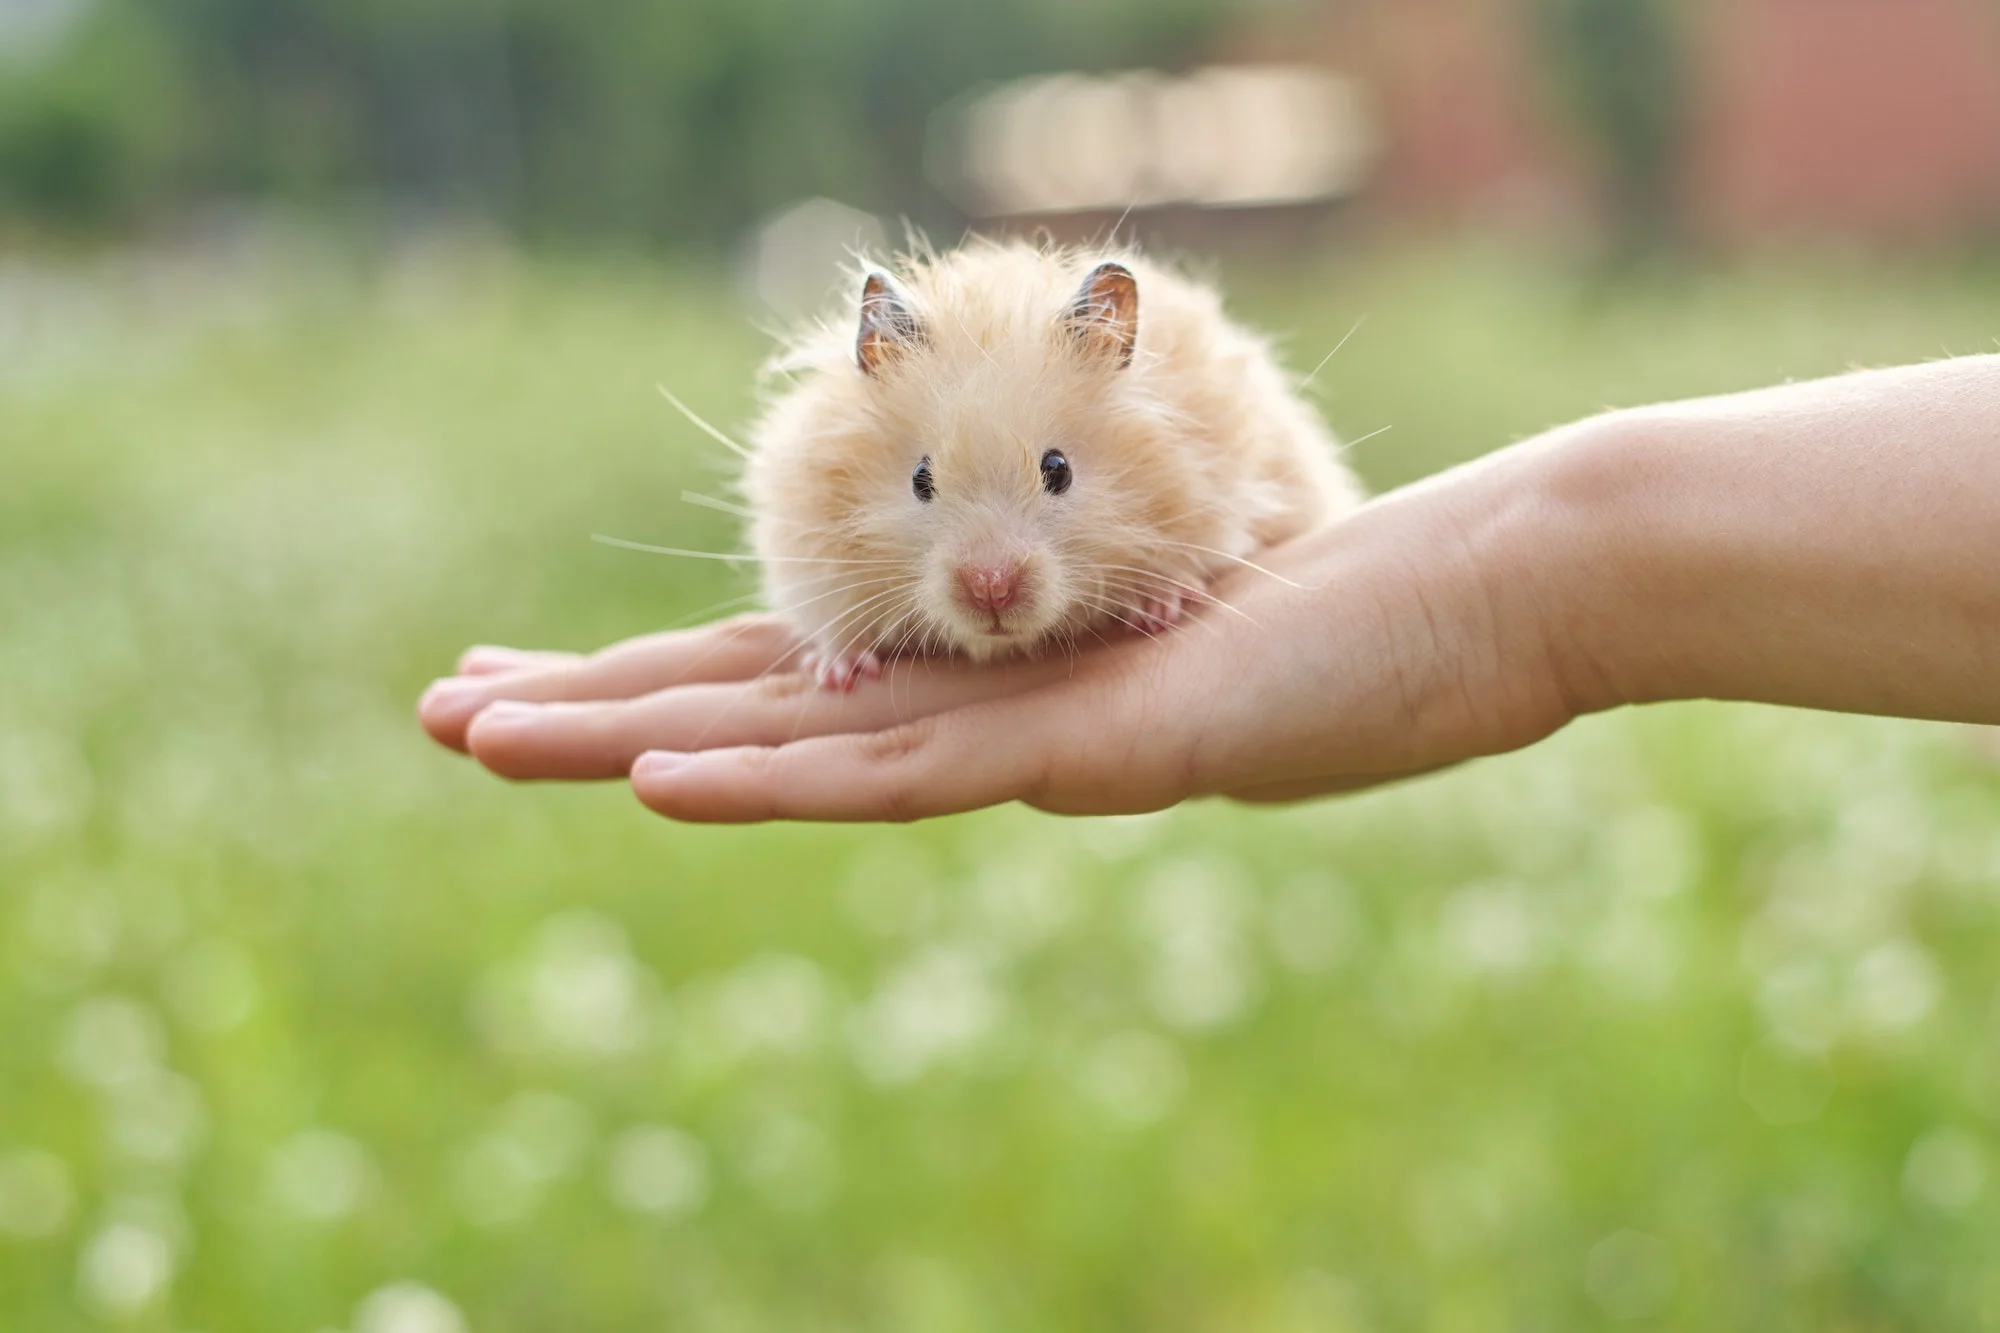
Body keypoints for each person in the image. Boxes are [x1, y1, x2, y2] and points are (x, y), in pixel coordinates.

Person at [418, 356, 2000, 823]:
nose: (988, 575)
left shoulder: (1170, 411)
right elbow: (816, 551)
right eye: (927, 498)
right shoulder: (827, 464)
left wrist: (1522, 580)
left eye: (1049, 487)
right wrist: (843, 636)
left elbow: (1253, 489)